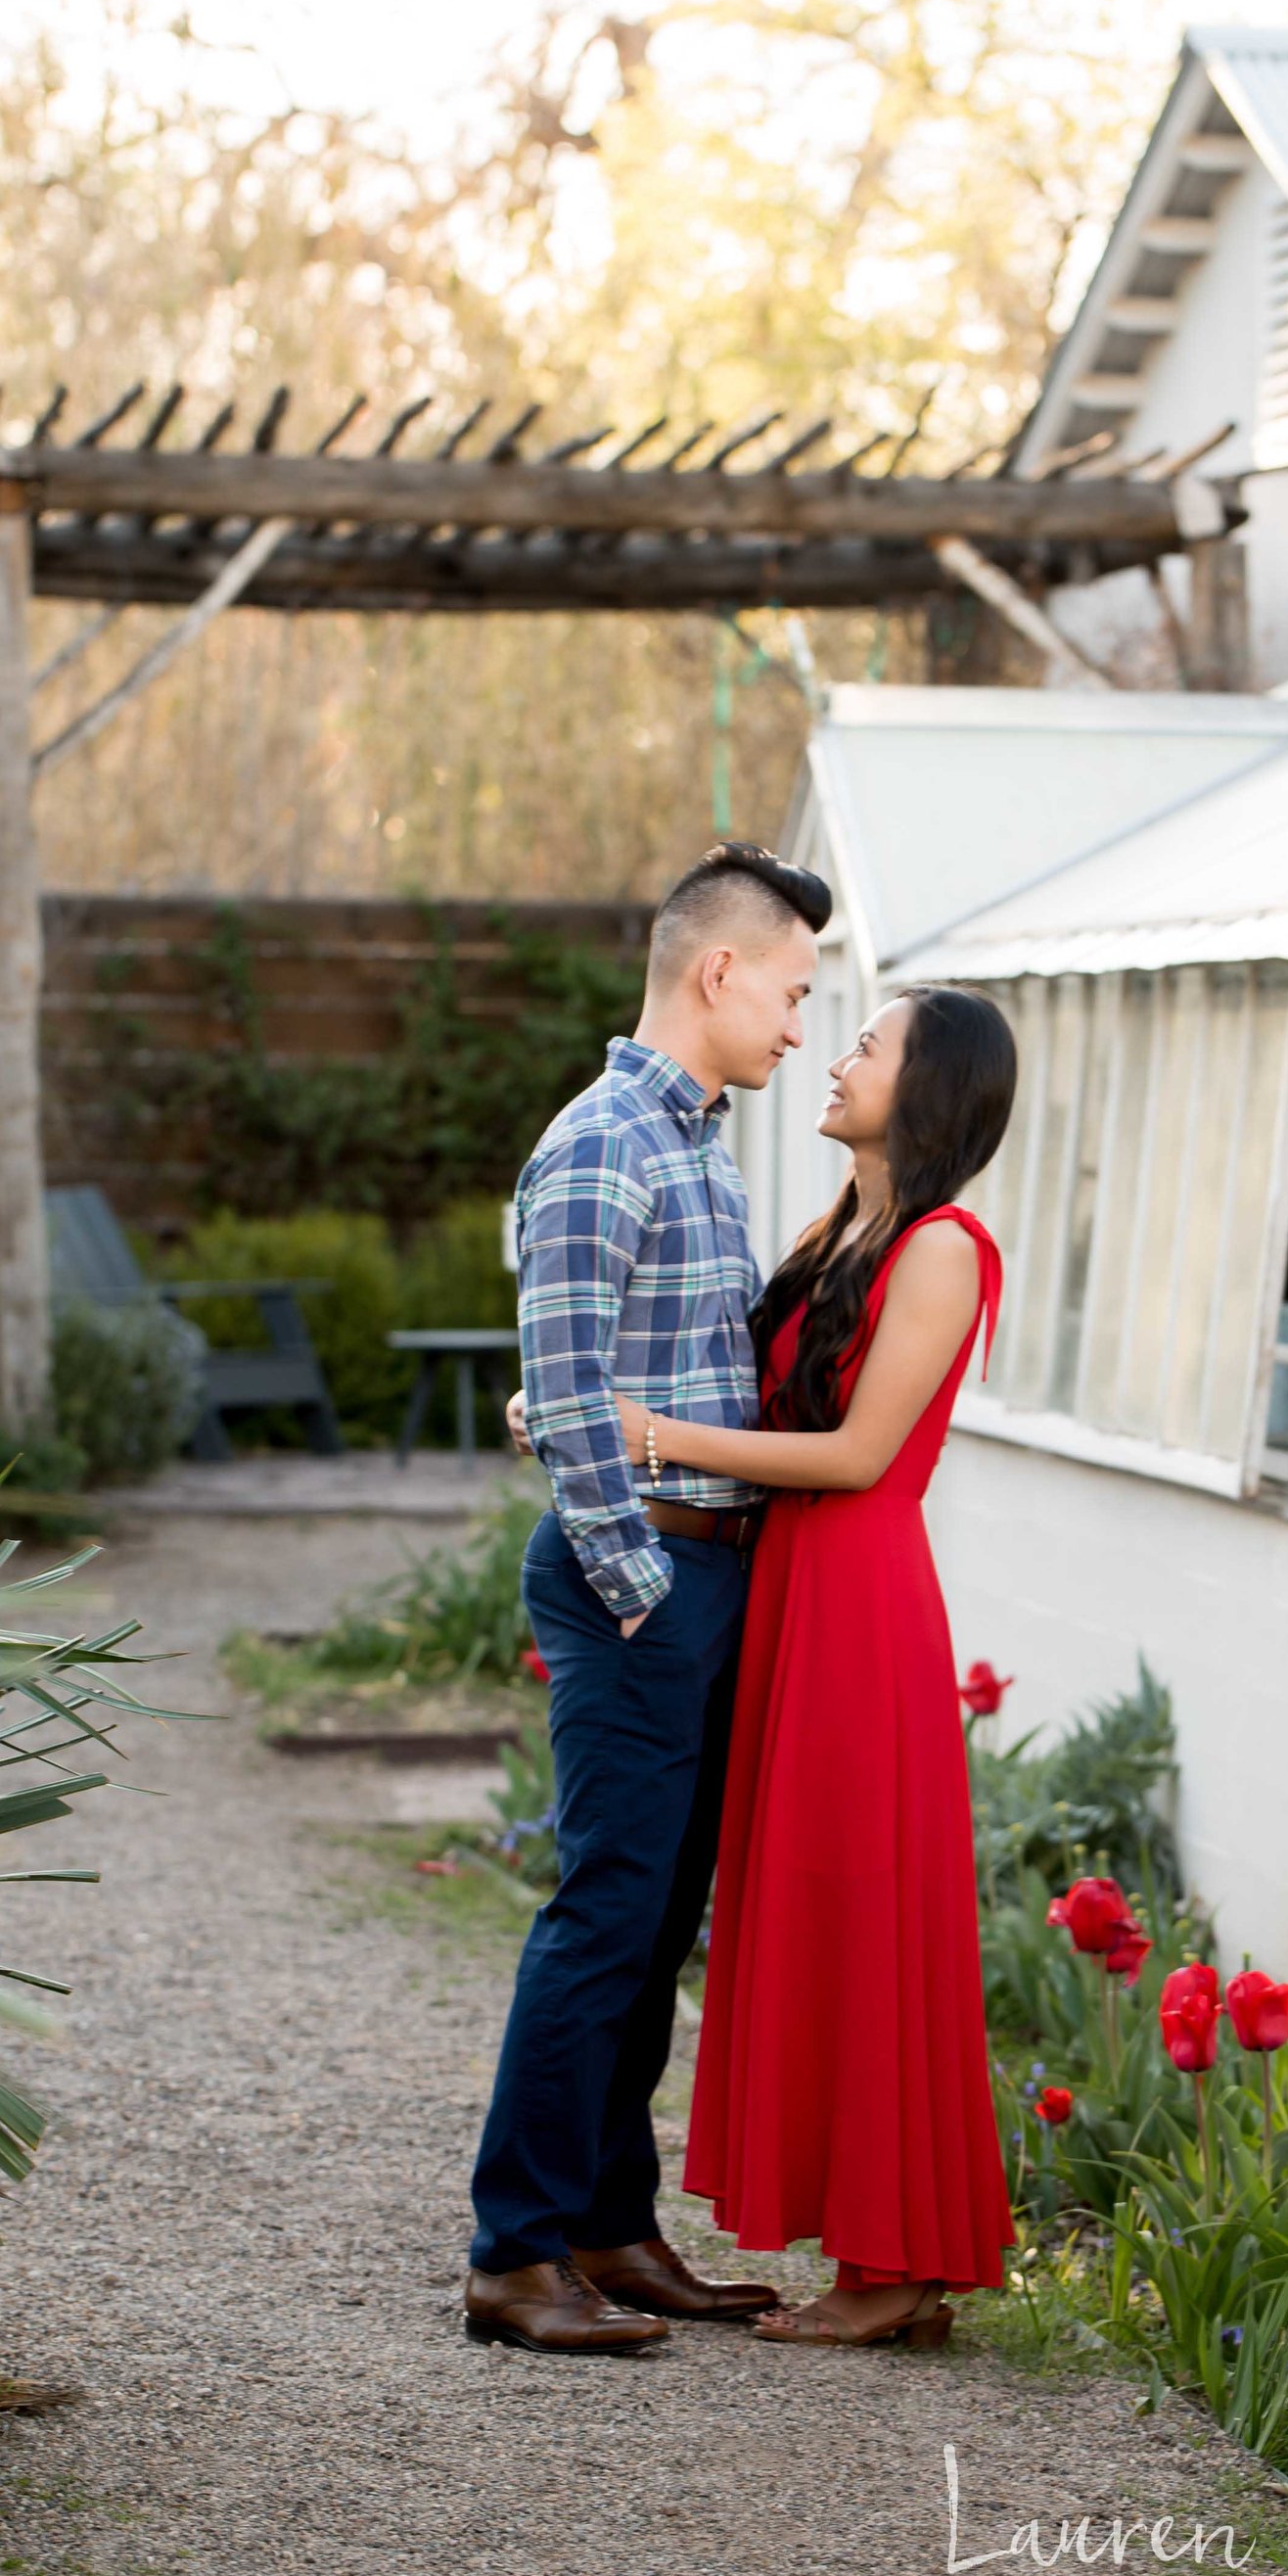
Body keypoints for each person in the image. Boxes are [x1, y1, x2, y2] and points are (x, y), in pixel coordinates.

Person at [464, 840, 831, 2354]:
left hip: (697, 1562)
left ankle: (614, 2225)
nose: (802, 1027)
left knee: (657, 1913)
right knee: (604, 1910)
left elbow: (645, 1368)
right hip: (647, 1567)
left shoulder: (695, 1140)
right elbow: (563, 1387)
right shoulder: (610, 1138)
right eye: (796, 992)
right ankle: (515, 2248)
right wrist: (632, 1587)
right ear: (719, 969)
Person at [613, 984, 1019, 2347]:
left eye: (868, 1046)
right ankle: (878, 2256)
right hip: (791, 1588)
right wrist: (582, 1409)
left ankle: (894, 2264)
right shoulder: (841, 1229)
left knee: (865, 1908)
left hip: (859, 1600)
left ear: (932, 1085)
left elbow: (854, 1456)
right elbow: (747, 1393)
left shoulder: (945, 1248)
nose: (835, 1060)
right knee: (806, 1905)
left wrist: (655, 1436)